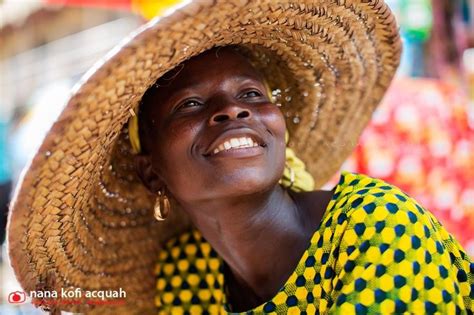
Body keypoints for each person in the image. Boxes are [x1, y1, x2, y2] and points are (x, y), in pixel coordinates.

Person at [6, 1, 473, 314]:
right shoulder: (187, 270)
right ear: (152, 172)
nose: (232, 109)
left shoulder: (375, 223)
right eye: (190, 104)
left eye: (250, 93)